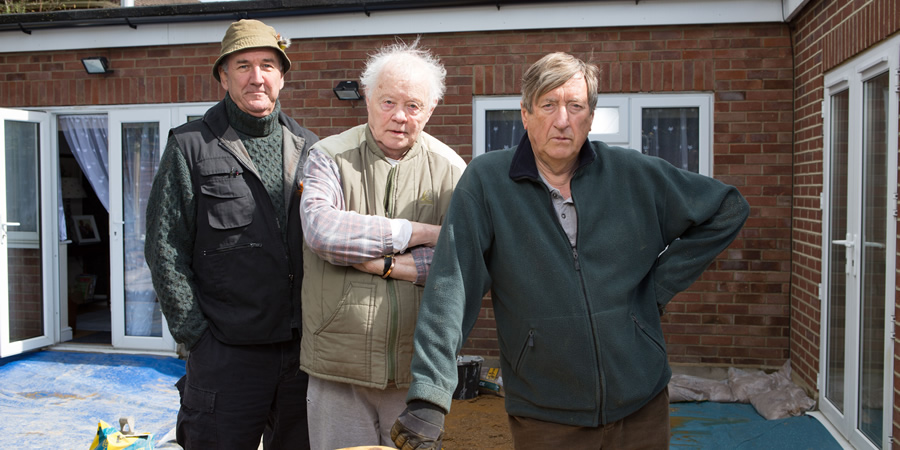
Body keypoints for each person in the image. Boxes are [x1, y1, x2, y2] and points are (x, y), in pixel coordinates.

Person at [392, 52, 750, 449]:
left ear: (590, 117)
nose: (562, 120)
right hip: (547, 414)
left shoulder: (632, 174)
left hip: (642, 404)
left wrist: (656, 290)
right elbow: (451, 288)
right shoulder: (487, 182)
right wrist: (429, 395)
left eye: (575, 106)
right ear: (525, 115)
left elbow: (727, 208)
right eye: (548, 105)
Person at [144, 19, 318, 449]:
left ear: (281, 76)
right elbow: (164, 247)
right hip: (226, 355)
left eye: (267, 65)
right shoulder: (190, 146)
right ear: (223, 75)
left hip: (300, 356)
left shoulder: (310, 147)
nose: (256, 77)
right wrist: (196, 336)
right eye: (243, 66)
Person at [298, 39, 465, 449]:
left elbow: (467, 258)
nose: (400, 117)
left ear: (431, 110)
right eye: (388, 101)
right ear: (368, 97)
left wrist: (391, 266)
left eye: (413, 106)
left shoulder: (452, 170)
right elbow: (323, 232)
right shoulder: (328, 156)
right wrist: (420, 233)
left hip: (417, 373)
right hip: (338, 368)